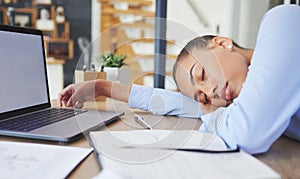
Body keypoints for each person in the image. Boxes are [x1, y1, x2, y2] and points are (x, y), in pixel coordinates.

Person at [58, 4, 300, 154]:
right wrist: (103, 87)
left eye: (202, 74)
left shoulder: (283, 22)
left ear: (223, 43)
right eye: (202, 95)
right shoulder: (244, 100)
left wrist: (212, 117)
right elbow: (175, 102)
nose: (211, 92)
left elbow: (248, 135)